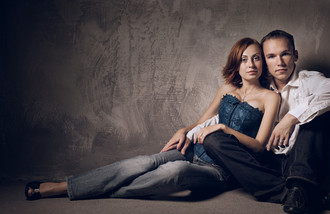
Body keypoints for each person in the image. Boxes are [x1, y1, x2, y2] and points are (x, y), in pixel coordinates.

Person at [25, 38, 281, 201]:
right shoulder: (227, 88)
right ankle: (62, 186)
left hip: (221, 170)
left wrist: (224, 128)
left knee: (174, 172)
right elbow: (201, 122)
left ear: (263, 63)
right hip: (192, 150)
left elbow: (259, 145)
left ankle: (94, 191)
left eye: (256, 57)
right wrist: (183, 129)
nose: (251, 64)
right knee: (141, 162)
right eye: (244, 59)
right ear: (236, 64)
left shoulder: (270, 98)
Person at [195, 30, 330, 214]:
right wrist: (186, 131)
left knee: (319, 110)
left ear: (295, 55)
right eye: (271, 56)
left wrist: (291, 118)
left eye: (285, 54)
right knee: (213, 140)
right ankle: (294, 194)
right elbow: (224, 117)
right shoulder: (261, 87)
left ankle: (300, 185)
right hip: (267, 162)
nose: (280, 62)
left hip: (301, 162)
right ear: (265, 61)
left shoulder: (308, 80)